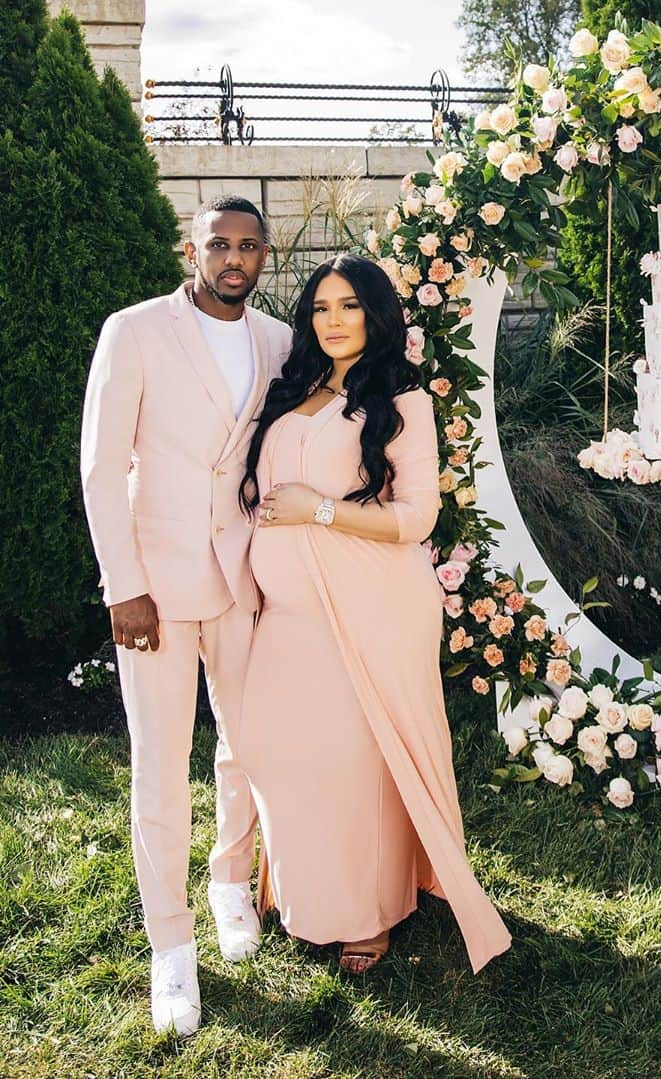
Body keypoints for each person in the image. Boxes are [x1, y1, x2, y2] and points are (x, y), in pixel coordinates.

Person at [233, 254, 511, 975]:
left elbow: (418, 516)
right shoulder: (291, 388)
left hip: (368, 604)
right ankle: (302, 891)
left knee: (354, 762)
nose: (332, 321)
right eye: (320, 307)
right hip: (286, 614)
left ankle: (368, 911)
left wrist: (319, 511)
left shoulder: (401, 398)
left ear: (376, 314)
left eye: (349, 306)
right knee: (281, 749)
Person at [80, 195, 293, 1036]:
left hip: (246, 579)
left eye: (249, 246)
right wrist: (120, 582)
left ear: (264, 256)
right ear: (191, 248)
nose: (234, 258)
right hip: (156, 591)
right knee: (160, 763)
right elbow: (101, 467)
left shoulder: (278, 341)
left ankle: (229, 883)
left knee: (248, 745)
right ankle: (171, 946)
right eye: (219, 244)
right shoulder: (131, 331)